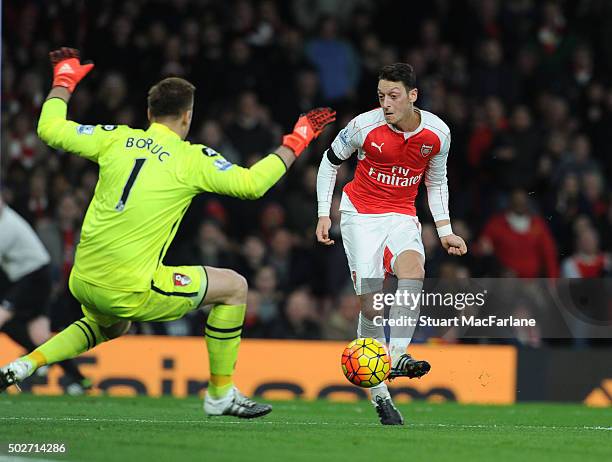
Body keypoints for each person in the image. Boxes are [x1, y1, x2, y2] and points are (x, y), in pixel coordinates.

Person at [0, 48, 335, 419]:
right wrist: (298, 139)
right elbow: (253, 184)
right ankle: (221, 394)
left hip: (81, 277)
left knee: (109, 325)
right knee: (236, 287)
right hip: (128, 286)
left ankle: (27, 364)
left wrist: (63, 80)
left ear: (149, 114)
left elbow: (48, 128)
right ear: (188, 117)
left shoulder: (115, 138)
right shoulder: (191, 159)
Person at [315, 63, 467, 425]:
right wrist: (324, 213)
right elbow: (329, 162)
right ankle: (379, 392)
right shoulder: (362, 128)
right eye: (381, 96)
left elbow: (437, 181)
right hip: (360, 216)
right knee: (371, 305)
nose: (386, 103)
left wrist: (445, 230)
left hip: (401, 214)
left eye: (394, 96)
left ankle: (398, 355)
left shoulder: (438, 134)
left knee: (413, 271)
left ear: (413, 96)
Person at [0, 200, 91, 394]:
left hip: (33, 278)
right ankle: (80, 380)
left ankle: (34, 361)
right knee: (40, 337)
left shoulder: (6, 227)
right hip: (34, 277)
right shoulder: (7, 219)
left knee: (5, 320)